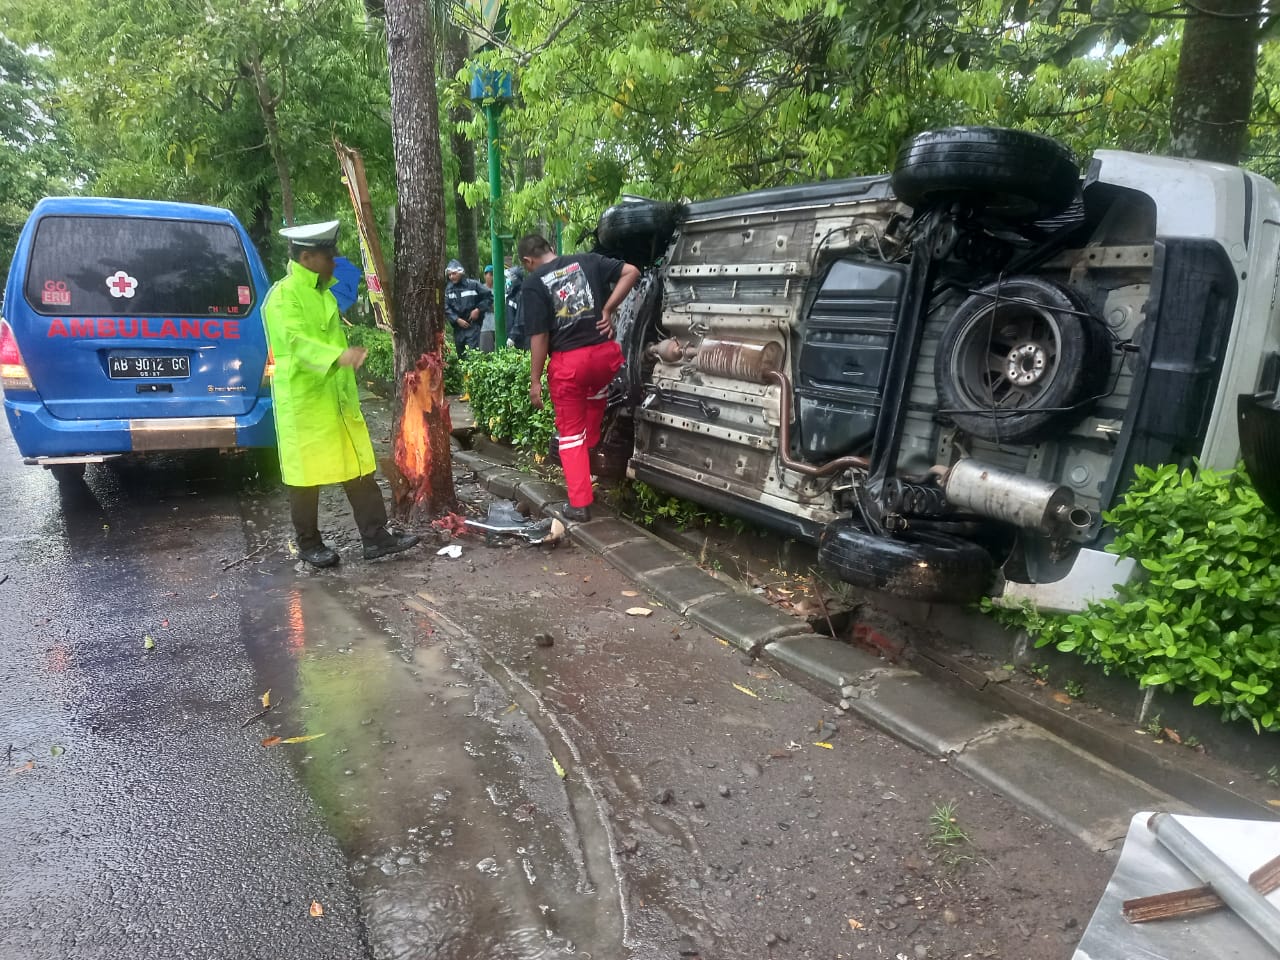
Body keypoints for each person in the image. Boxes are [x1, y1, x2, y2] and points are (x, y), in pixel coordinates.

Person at [262, 219, 420, 568]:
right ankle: (309, 544)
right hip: (305, 403)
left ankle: (376, 537)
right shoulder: (283, 296)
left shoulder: (322, 292)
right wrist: (337, 357)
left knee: (358, 465)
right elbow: (294, 343)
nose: (333, 261)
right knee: (304, 477)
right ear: (307, 258)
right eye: (327, 255)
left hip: (336, 399)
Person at [518, 233, 640, 522]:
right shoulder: (586, 260)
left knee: (570, 433)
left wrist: (535, 380)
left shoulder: (534, 282)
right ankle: (589, 449)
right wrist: (608, 310)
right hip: (604, 358)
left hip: (570, 365)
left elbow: (540, 336)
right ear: (551, 247)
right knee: (594, 396)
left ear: (527, 261)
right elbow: (631, 272)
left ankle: (579, 503)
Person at [444, 259, 492, 356]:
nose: (451, 276)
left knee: (472, 356)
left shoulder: (473, 285)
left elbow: (488, 297)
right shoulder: (449, 290)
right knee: (461, 357)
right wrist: (456, 319)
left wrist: (478, 310)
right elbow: (446, 307)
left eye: (454, 273)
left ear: (460, 272)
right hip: (458, 329)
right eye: (449, 275)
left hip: (473, 326)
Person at [479, 264, 497, 353]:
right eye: (490, 274)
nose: (492, 277)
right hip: (485, 326)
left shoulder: (500, 289)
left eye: (494, 275)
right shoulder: (480, 289)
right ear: (485, 275)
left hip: (498, 326)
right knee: (486, 354)